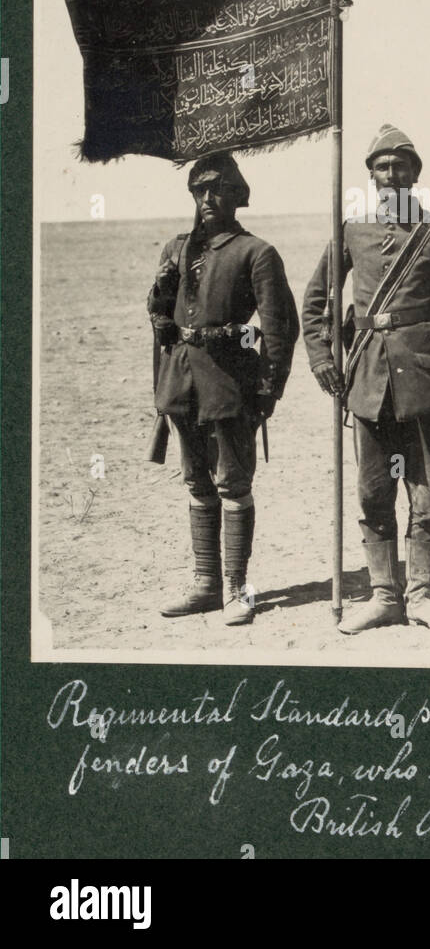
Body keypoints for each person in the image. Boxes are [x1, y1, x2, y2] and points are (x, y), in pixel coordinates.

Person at [302, 124, 430, 634]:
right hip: (366, 382)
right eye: (382, 167)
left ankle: (424, 596)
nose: (391, 175)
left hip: (429, 383)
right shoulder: (351, 232)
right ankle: (384, 596)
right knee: (372, 493)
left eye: (401, 166)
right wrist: (323, 357)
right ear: (370, 176)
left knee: (425, 494)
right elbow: (317, 299)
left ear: (416, 174)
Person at [147, 152, 298, 626]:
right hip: (181, 385)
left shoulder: (257, 253)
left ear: (238, 195)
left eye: (218, 188)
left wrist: (268, 390)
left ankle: (236, 588)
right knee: (196, 482)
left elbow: (280, 329)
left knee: (233, 482)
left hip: (231, 385)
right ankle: (205, 583)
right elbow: (161, 322)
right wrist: (159, 293)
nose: (208, 198)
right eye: (199, 189)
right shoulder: (176, 249)